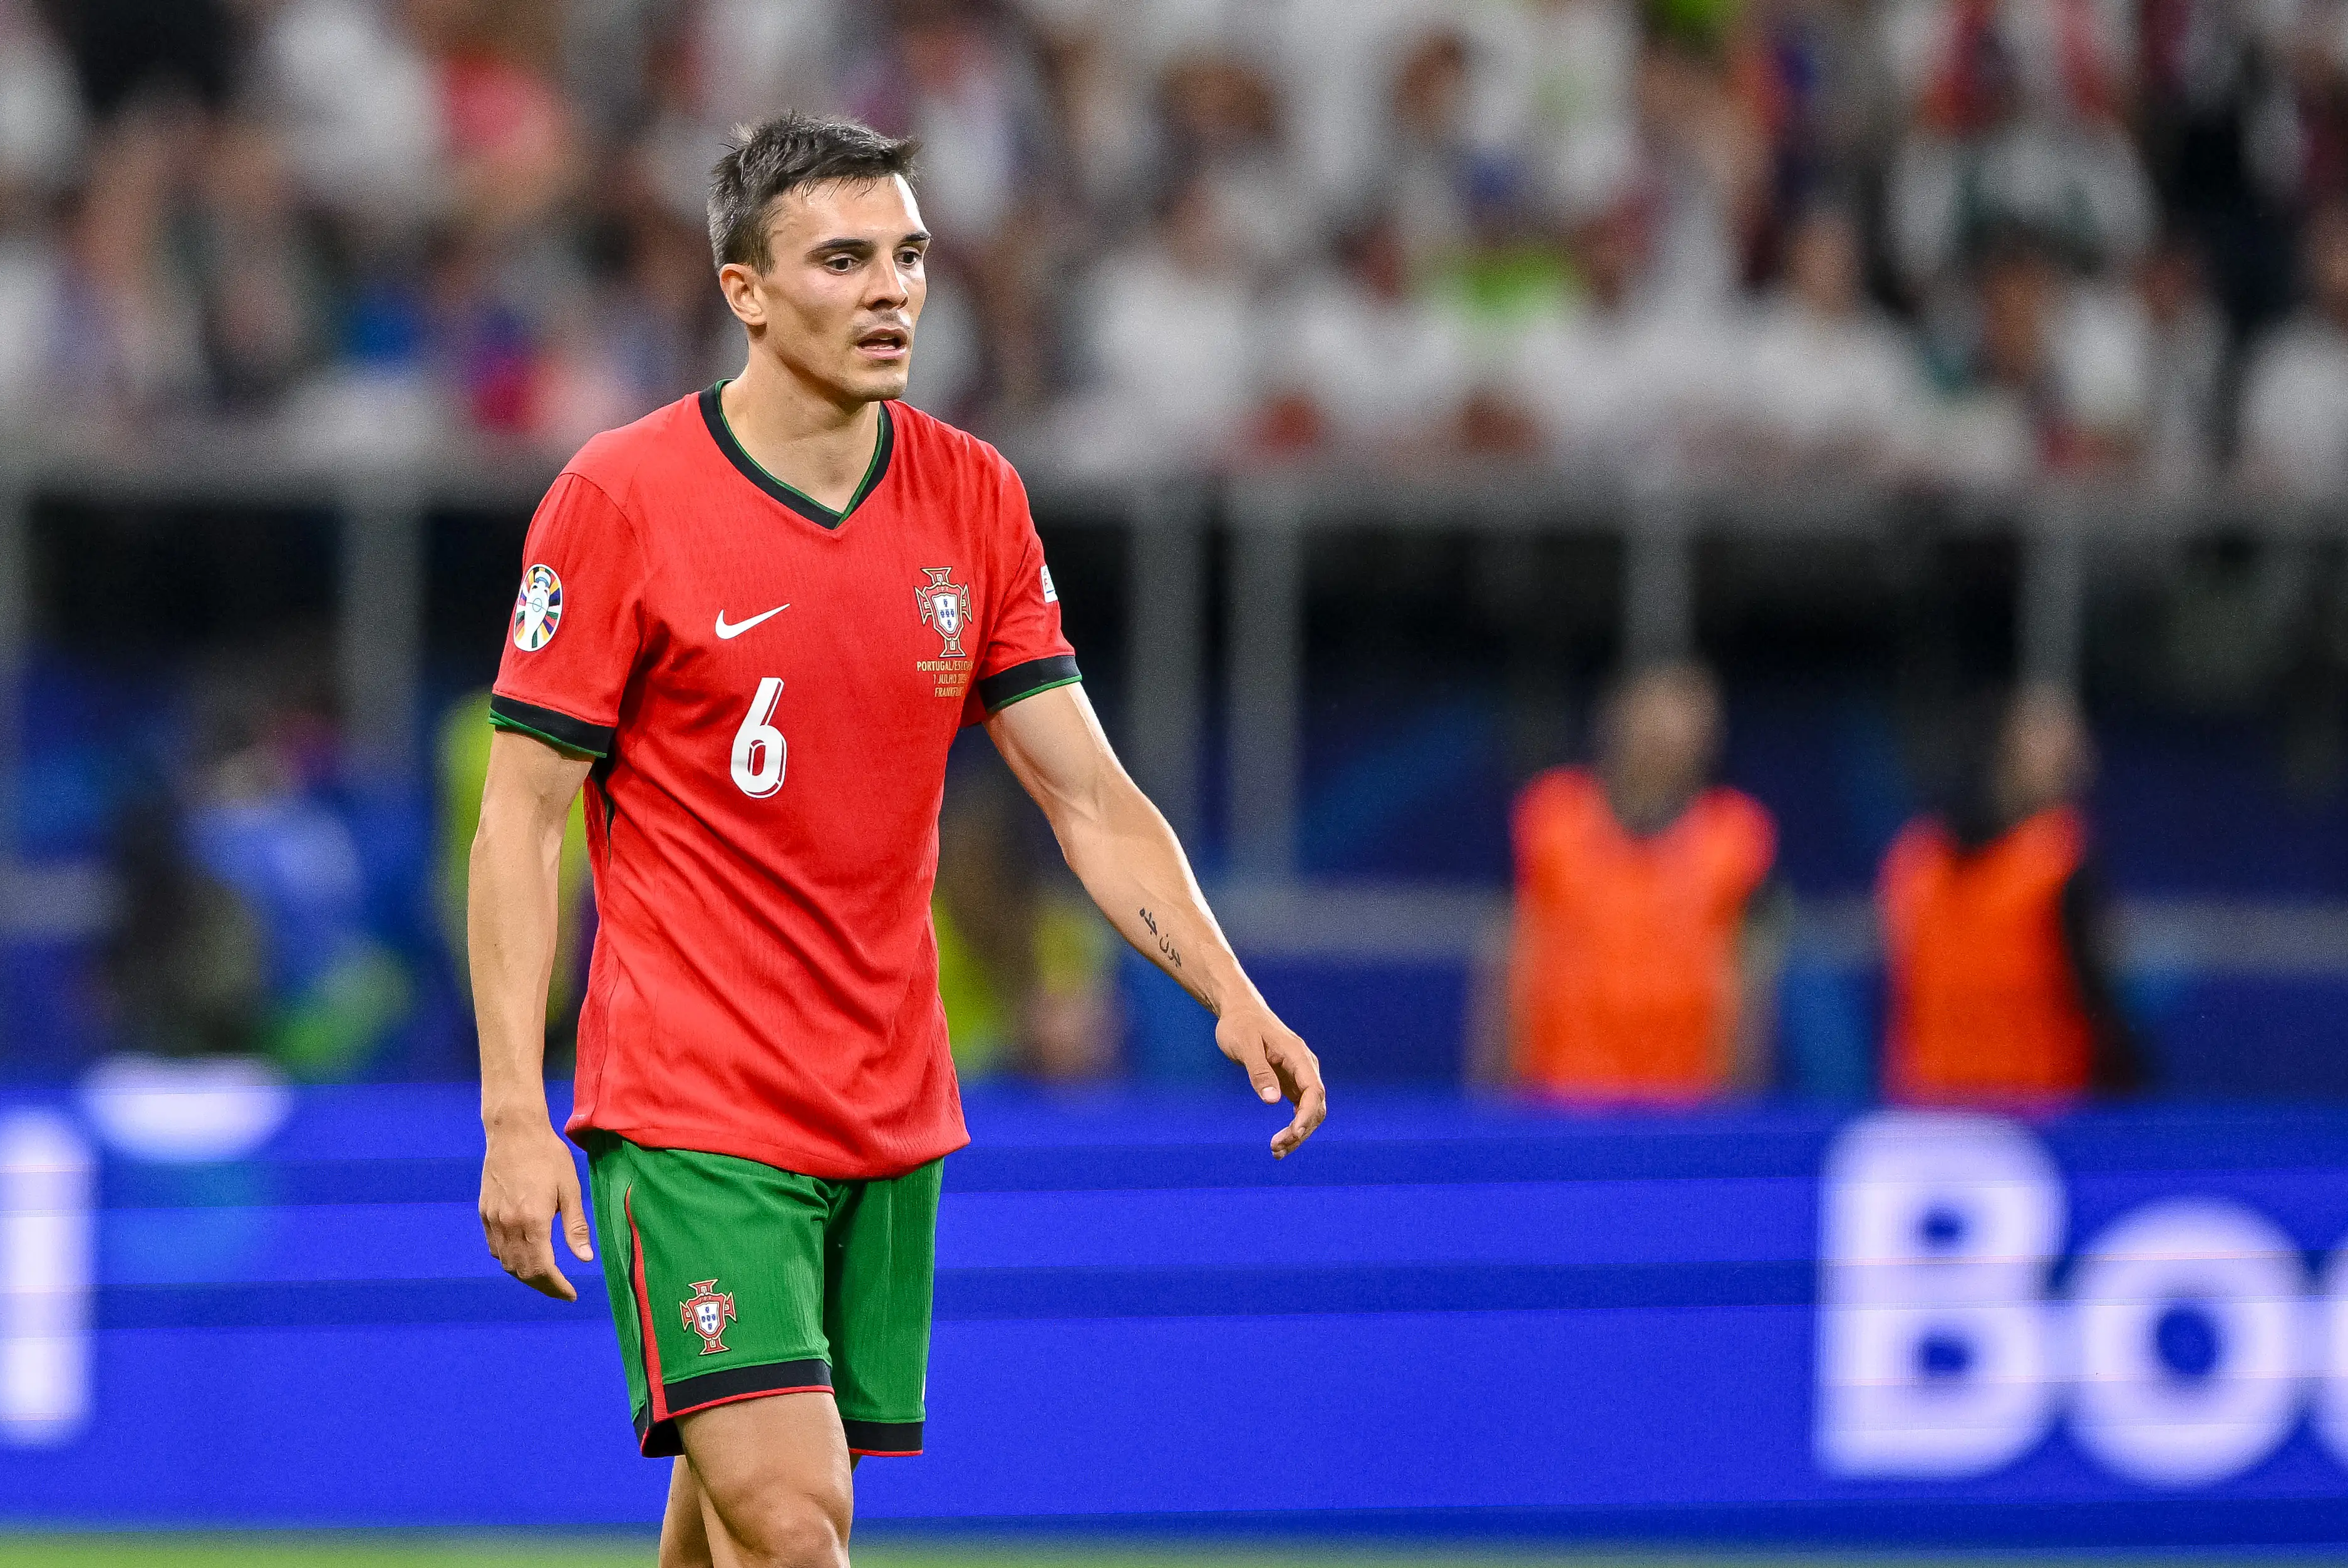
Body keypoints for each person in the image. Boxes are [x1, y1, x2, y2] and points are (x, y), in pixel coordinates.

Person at [467, 116, 1324, 1568]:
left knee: (729, 1514)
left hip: (883, 1099)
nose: (893, 293)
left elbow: (1087, 796)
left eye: (910, 257)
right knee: (798, 1519)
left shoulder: (972, 499)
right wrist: (510, 1108)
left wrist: (1227, 983)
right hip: (689, 1100)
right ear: (745, 292)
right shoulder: (621, 499)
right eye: (845, 259)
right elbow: (520, 816)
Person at [1504, 663, 1780, 1101]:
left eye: (1684, 730)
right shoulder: (1550, 818)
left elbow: (1748, 986)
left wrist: (1736, 1112)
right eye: (1651, 726)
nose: (1662, 746)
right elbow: (1512, 962)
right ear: (1614, 724)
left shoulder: (1737, 837)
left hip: (1684, 1106)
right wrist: (1498, 1102)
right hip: (1564, 1101)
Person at [1877, 683, 2138, 1104]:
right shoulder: (2058, 858)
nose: (2081, 755)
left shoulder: (1914, 857)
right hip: (2019, 1123)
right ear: (2008, 750)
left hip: (1953, 1113)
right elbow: (2098, 1005)